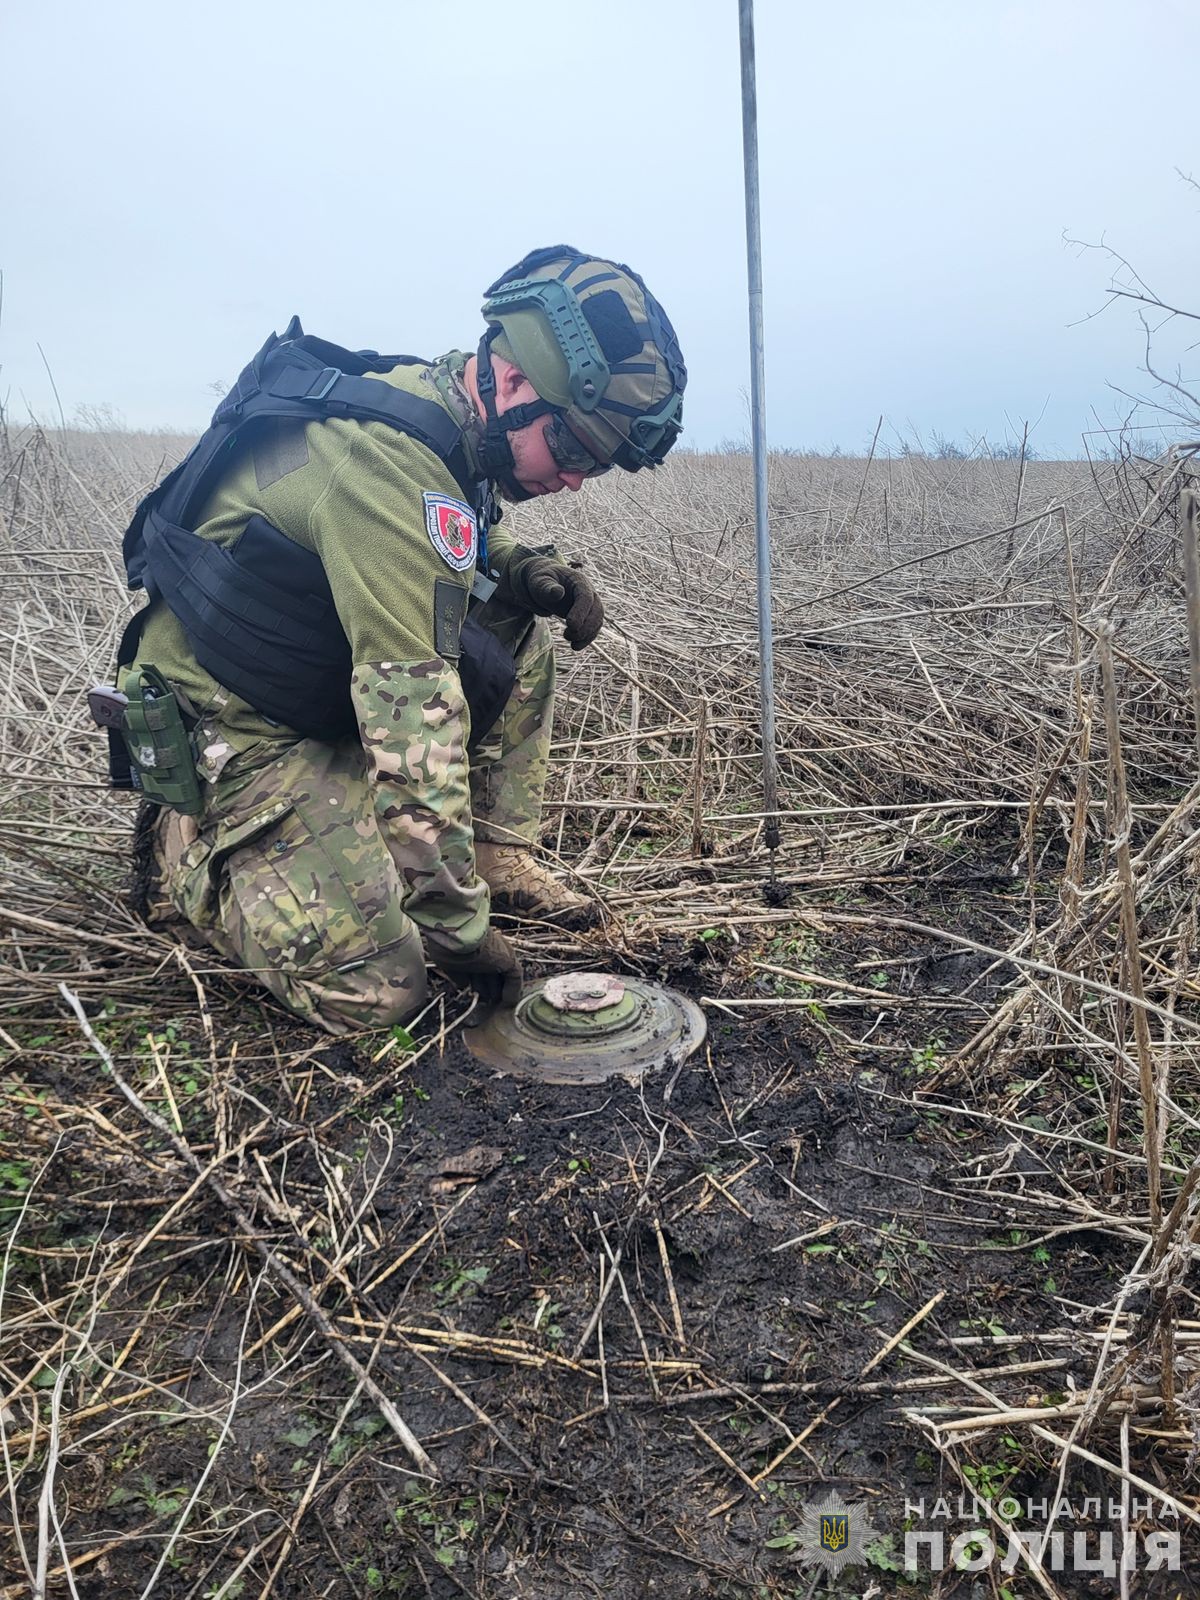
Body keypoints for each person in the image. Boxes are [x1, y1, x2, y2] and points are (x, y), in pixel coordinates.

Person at [103, 245, 686, 1034]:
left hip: (303, 671)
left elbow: (443, 538)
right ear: (514, 382)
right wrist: (459, 933)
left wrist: (520, 571)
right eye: (576, 448)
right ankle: (188, 854)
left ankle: (496, 856)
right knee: (379, 992)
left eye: (597, 464)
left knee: (513, 630)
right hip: (236, 726)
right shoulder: (386, 465)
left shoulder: (449, 408)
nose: (576, 477)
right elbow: (414, 725)